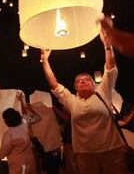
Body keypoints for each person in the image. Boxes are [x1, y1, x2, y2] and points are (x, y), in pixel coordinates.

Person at [40, 28, 128, 173]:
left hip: (112, 152)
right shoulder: (72, 101)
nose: (82, 81)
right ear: (75, 87)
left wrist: (107, 45)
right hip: (85, 155)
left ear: (94, 84)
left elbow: (111, 68)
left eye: (87, 79)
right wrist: (44, 61)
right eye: (79, 81)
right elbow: (54, 84)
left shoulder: (103, 93)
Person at [0, 108, 36, 174]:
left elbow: (3, 152)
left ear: (7, 121)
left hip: (18, 166)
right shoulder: (24, 124)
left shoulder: (9, 134)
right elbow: (25, 116)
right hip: (30, 161)